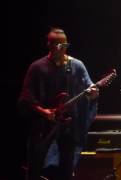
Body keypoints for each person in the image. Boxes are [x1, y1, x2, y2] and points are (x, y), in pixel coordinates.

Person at [18, 27, 98, 180]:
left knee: (67, 170)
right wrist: (44, 112)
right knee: (34, 169)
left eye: (64, 45)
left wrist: (93, 94)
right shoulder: (37, 67)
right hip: (43, 127)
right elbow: (26, 98)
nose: (61, 48)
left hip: (67, 127)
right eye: (57, 45)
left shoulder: (77, 66)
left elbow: (90, 87)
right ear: (49, 45)